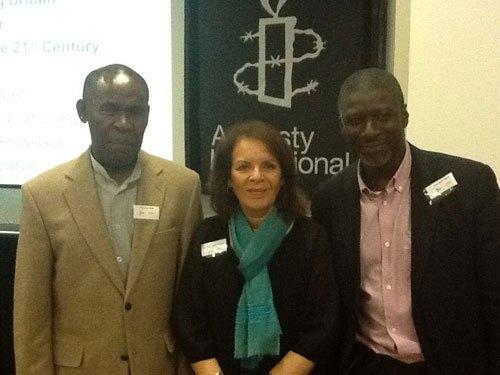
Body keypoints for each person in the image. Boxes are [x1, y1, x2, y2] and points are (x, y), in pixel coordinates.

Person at [13, 64, 202, 375]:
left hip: (158, 366)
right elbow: (31, 314)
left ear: (147, 115)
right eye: (109, 110)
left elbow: (191, 301)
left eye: (135, 111)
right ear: (83, 111)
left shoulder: (182, 186)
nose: (123, 123)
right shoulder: (42, 195)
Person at [311, 68, 500, 375]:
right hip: (366, 364)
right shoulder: (328, 200)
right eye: (356, 121)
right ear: (342, 126)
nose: (369, 131)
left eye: (383, 116)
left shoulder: (469, 184)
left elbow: (494, 293)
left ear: (405, 116)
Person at [175, 120, 339, 375]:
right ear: (228, 178)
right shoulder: (207, 235)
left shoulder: (311, 238)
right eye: (243, 167)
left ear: (283, 177)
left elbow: (322, 325)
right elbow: (190, 321)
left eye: (269, 166)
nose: (256, 176)